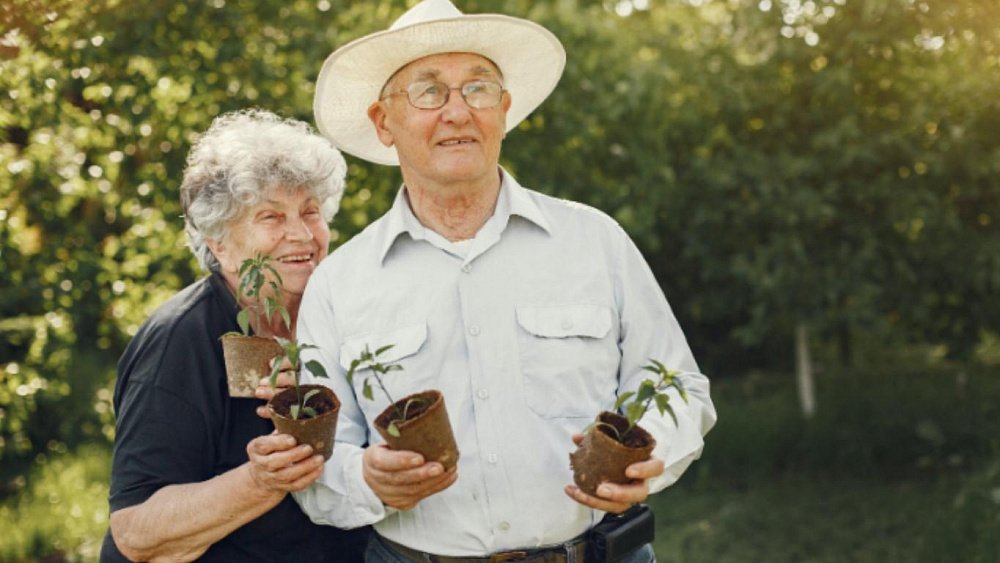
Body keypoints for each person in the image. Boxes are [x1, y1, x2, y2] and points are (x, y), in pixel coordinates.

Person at [294, 0, 717, 560]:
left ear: (505, 109)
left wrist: (648, 454)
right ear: (383, 123)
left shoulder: (594, 241)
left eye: (478, 88)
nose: (457, 111)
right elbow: (320, 458)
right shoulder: (340, 282)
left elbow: (676, 385)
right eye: (427, 91)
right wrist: (365, 478)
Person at [100, 109, 370, 562]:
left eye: (310, 211)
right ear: (219, 243)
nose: (301, 234)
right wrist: (260, 481)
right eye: (271, 217)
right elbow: (135, 530)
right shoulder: (180, 340)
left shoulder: (341, 317)